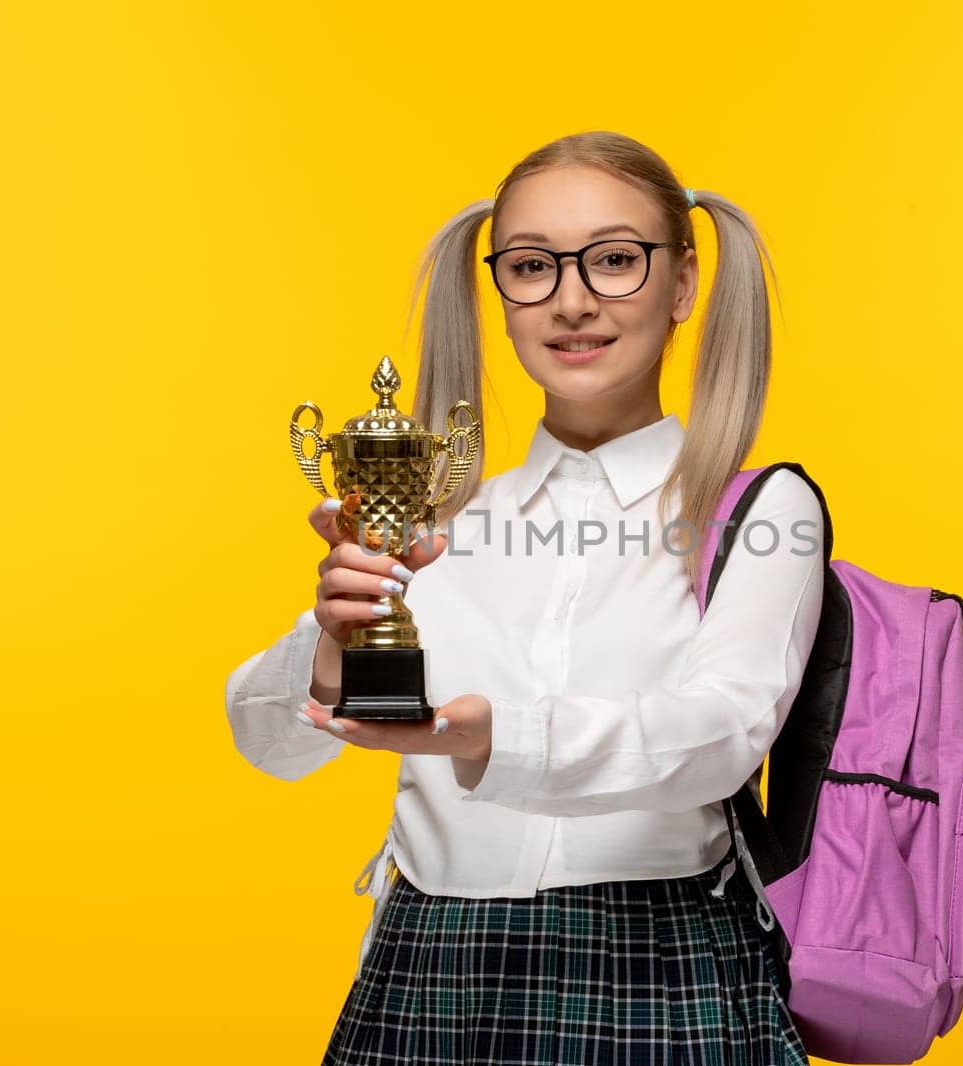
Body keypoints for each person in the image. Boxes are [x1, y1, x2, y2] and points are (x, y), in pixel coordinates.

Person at [225, 130, 826, 1065]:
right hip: (428, 971)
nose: (574, 300)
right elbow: (268, 745)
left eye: (617, 260)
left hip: (658, 973)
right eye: (534, 267)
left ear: (683, 285)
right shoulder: (441, 520)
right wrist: (337, 644)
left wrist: (488, 735)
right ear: (498, 290)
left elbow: (719, 733)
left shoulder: (755, 510)